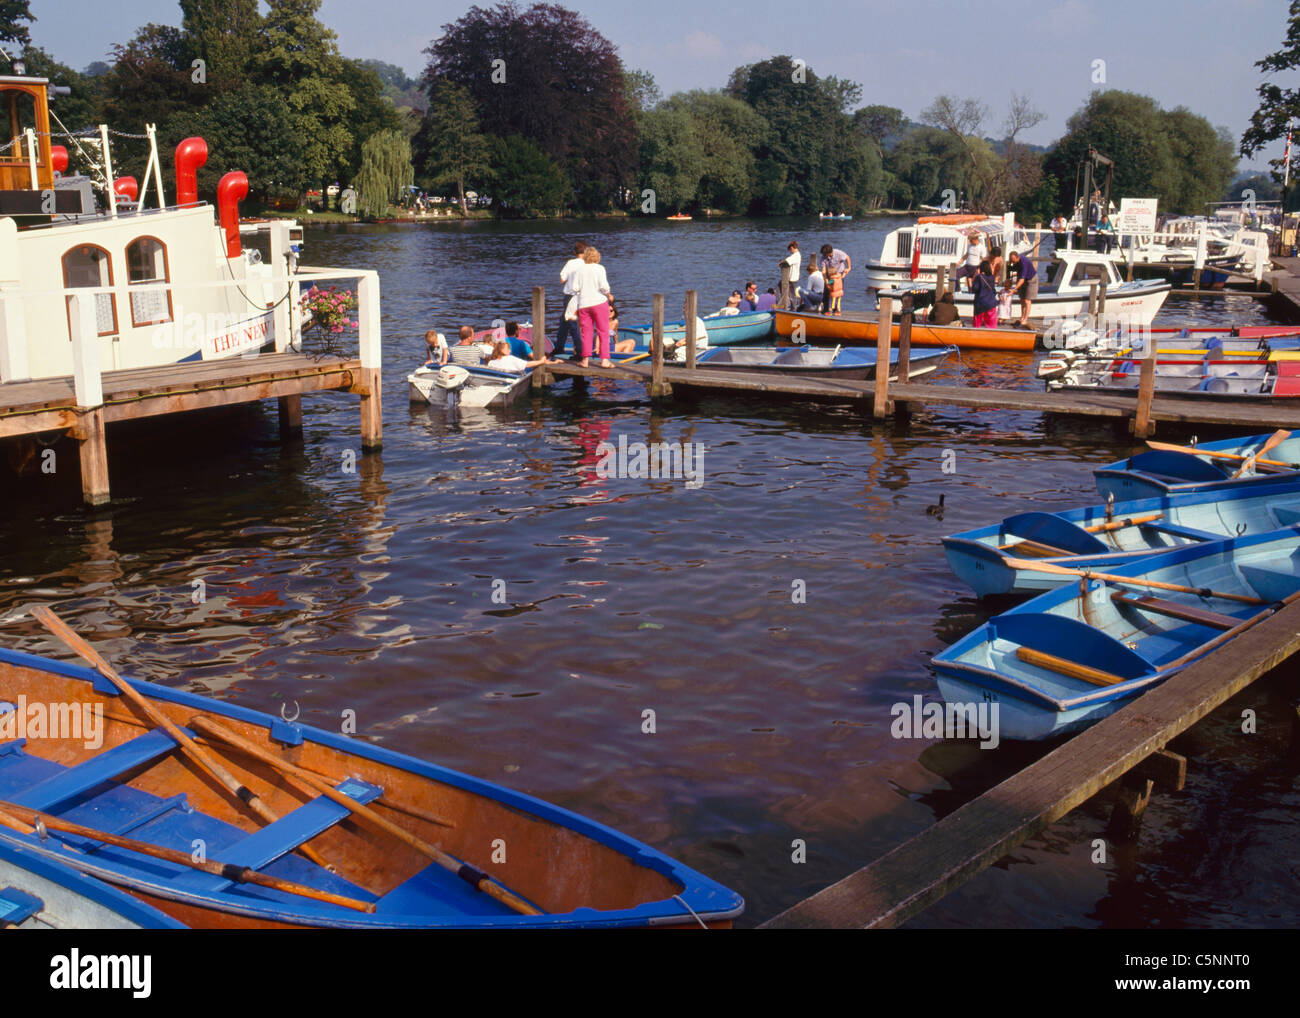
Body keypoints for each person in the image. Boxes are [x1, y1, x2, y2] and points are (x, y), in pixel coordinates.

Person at [571, 246, 613, 368]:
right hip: (599, 302)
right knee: (603, 332)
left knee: (586, 333)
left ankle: (585, 360)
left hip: (584, 304)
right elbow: (605, 287)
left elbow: (575, 288)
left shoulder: (579, 270)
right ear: (597, 256)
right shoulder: (600, 268)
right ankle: (605, 361)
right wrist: (609, 294)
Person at [555, 240, 588, 358]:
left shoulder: (571, 263)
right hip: (583, 296)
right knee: (564, 321)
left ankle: (579, 351)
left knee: (571, 322)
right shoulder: (588, 264)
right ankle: (559, 347)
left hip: (570, 296)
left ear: (574, 252)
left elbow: (562, 279)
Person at [1007, 250, 1038, 326]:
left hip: (1031, 279)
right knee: (1022, 299)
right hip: (1022, 279)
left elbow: (1022, 279)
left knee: (1027, 300)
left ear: (1017, 258)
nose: (1013, 263)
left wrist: (1014, 289)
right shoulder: (1015, 263)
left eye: (1014, 261)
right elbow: (1014, 273)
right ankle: (1022, 317)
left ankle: (1025, 319)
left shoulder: (1024, 262)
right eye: (1011, 261)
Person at [485, 338, 550, 373]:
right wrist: (541, 361)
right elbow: (527, 364)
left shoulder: (491, 362)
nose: (510, 351)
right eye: (508, 349)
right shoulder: (510, 358)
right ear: (502, 350)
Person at [818, 245, 851, 311]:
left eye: (826, 254)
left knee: (836, 292)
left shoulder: (838, 253)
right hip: (829, 276)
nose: (825, 256)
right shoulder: (823, 257)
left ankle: (833, 308)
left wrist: (849, 268)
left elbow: (847, 257)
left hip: (838, 275)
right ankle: (827, 308)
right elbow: (823, 270)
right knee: (827, 292)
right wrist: (826, 280)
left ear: (830, 252)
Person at [970, 259, 999, 328]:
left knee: (977, 324)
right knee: (991, 325)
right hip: (991, 303)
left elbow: (975, 289)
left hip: (980, 303)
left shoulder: (979, 277)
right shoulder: (992, 277)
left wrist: (974, 277)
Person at [777, 241, 801, 309]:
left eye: (790, 249)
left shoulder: (796, 255)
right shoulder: (795, 255)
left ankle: (793, 308)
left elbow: (787, 261)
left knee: (792, 294)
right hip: (792, 277)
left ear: (792, 247)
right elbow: (788, 259)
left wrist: (780, 263)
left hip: (792, 278)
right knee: (790, 293)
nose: (790, 251)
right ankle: (790, 307)